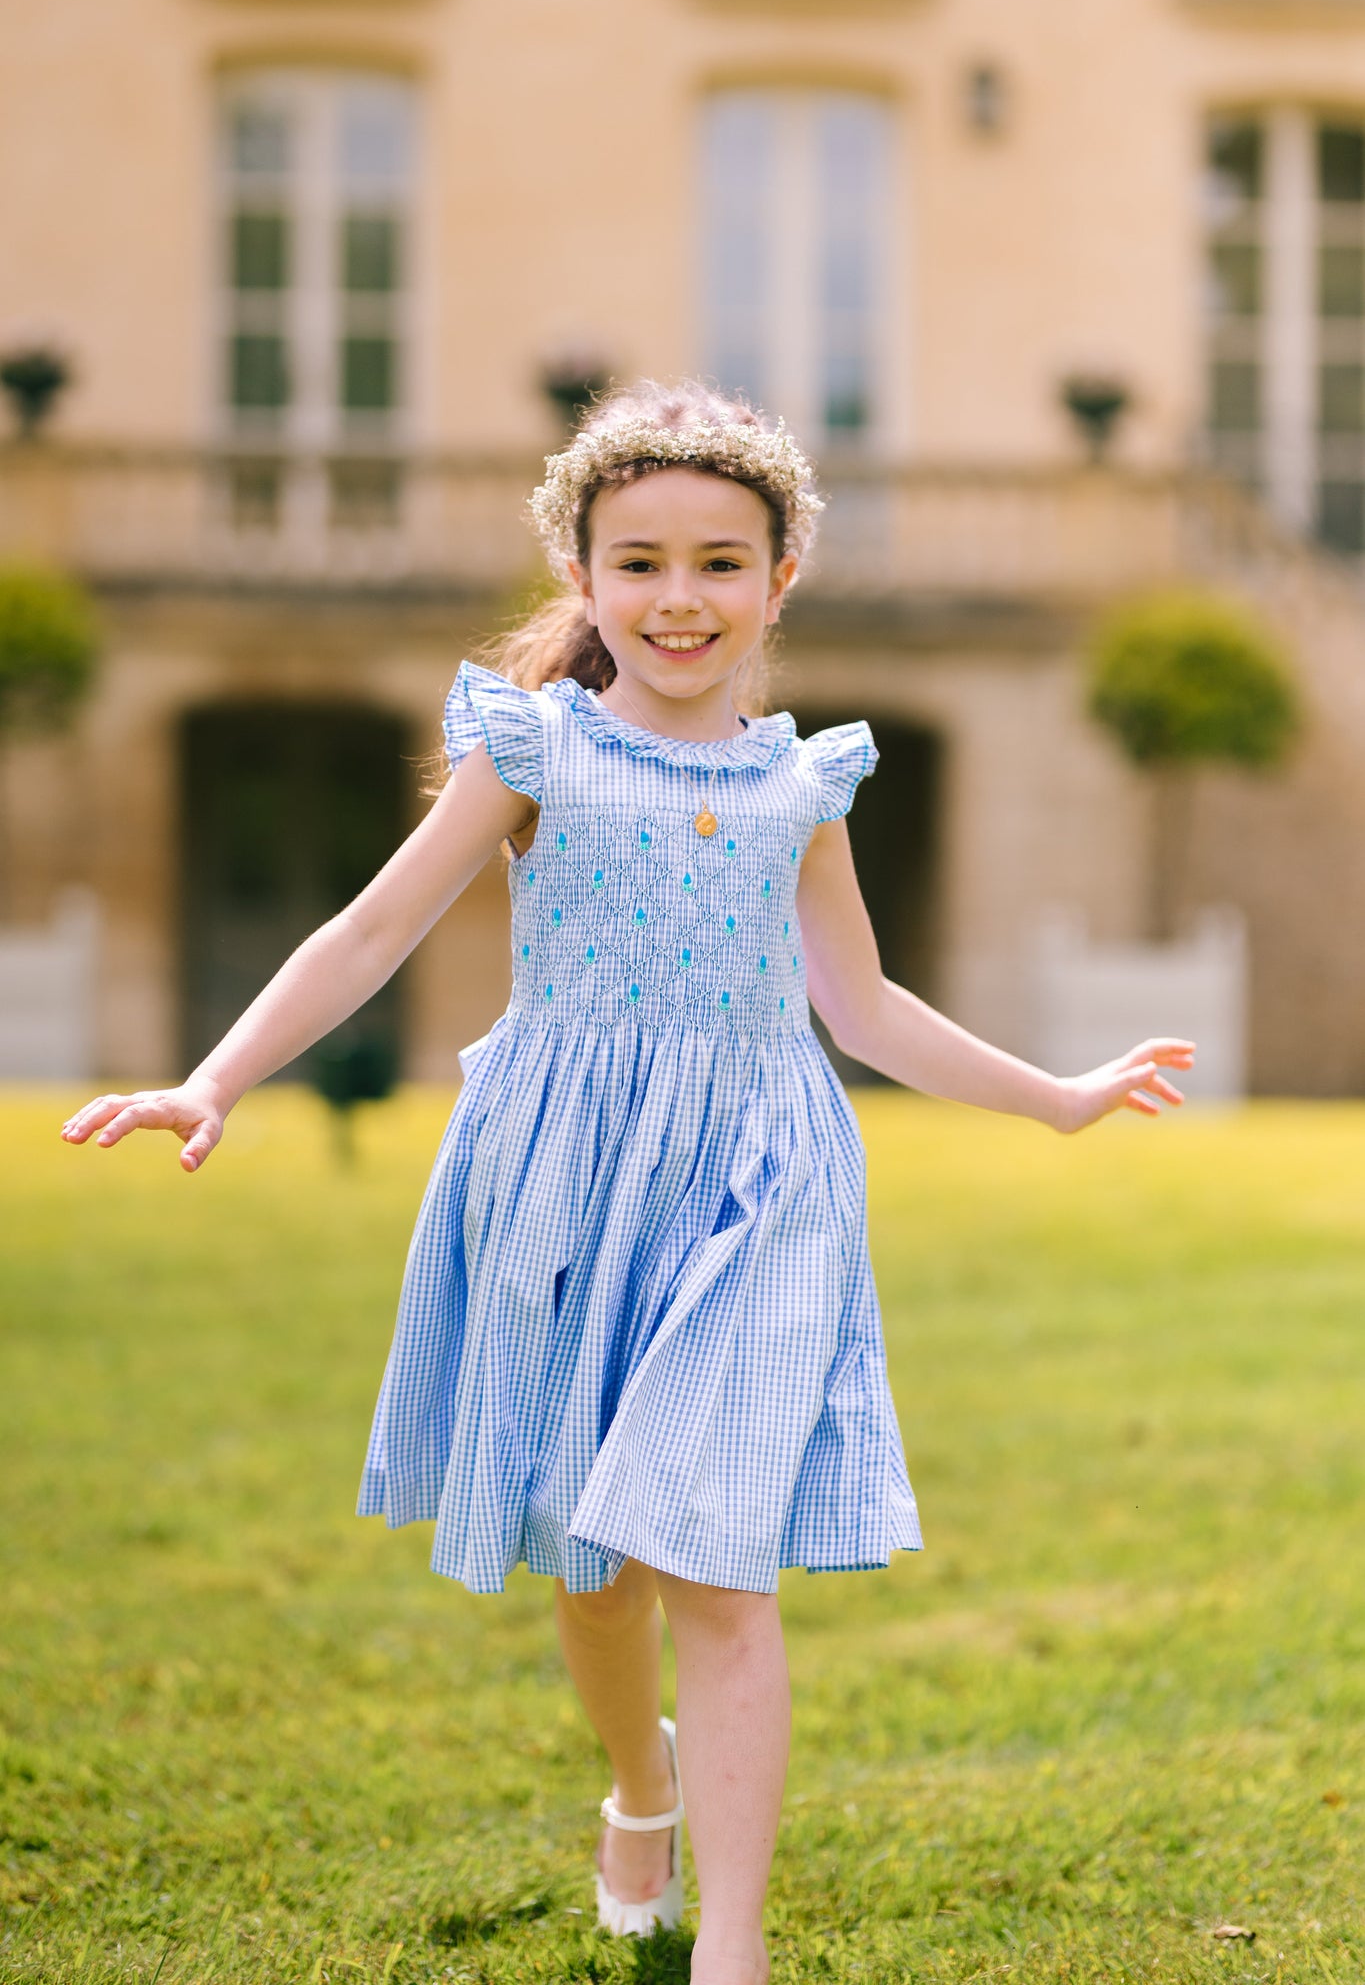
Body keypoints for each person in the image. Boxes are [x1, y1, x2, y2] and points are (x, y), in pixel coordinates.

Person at [59, 379, 1195, 1985]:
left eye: (721, 563)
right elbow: (369, 931)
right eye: (641, 562)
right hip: (568, 1173)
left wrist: (1055, 1100)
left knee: (721, 1571)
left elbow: (858, 1006)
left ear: (780, 578)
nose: (680, 598)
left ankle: (728, 1953)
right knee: (597, 1575)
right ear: (583, 578)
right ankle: (639, 1785)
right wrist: (215, 1076)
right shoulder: (532, 749)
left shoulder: (803, 786)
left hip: (763, 1181)